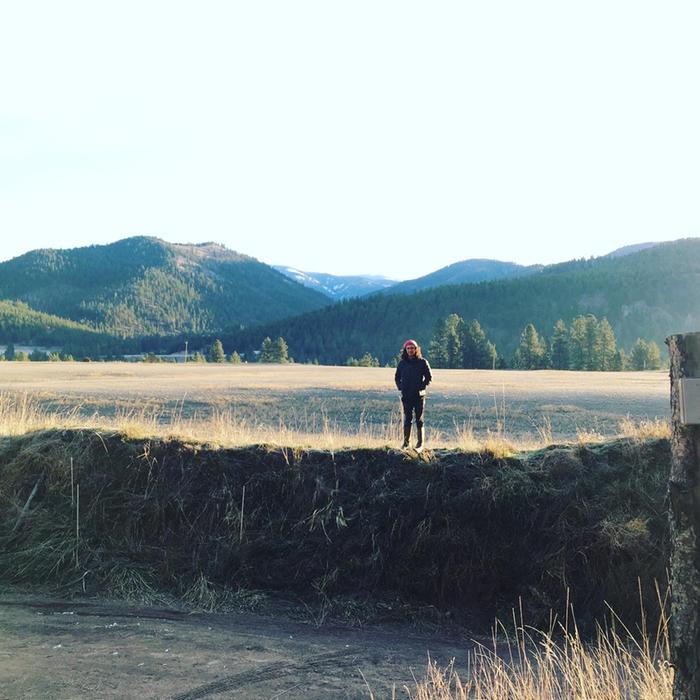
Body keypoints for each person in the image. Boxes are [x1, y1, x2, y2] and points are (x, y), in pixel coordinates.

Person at [394, 339, 433, 450]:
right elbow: (397, 377)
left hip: (419, 396)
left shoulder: (422, 362)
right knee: (407, 419)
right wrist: (400, 387)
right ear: (405, 350)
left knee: (419, 419)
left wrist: (422, 386)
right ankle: (406, 443)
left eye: (412, 348)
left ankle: (420, 443)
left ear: (416, 349)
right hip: (406, 396)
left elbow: (429, 378)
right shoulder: (402, 363)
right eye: (408, 348)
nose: (410, 350)